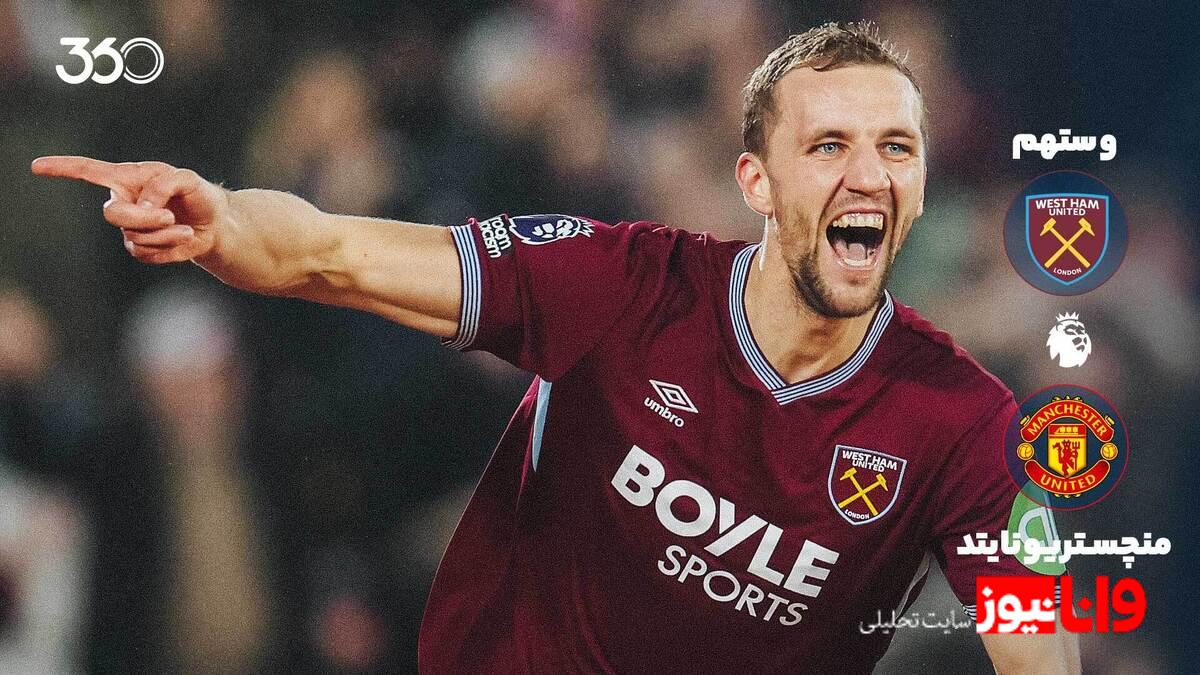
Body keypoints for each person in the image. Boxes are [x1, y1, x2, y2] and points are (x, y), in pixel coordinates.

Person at [33, 21, 1079, 675]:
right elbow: (331, 253)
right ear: (756, 182)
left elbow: (1040, 642)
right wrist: (222, 219)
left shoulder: (965, 424)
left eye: (897, 147)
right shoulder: (622, 282)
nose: (869, 174)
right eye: (829, 145)